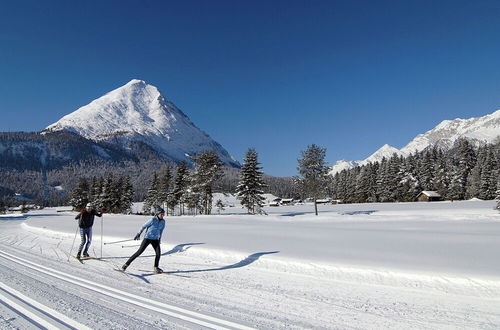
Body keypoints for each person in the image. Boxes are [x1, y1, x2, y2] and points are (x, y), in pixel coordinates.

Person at [122, 207, 166, 273]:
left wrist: (159, 239)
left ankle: (156, 267)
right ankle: (126, 265)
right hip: (147, 238)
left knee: (158, 254)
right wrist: (138, 233)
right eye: (161, 214)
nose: (163, 216)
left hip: (155, 239)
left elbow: (161, 231)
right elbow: (143, 226)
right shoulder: (153, 220)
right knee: (139, 252)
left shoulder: (163, 222)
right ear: (158, 214)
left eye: (163, 214)